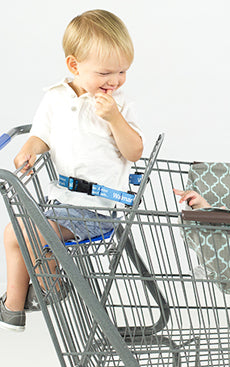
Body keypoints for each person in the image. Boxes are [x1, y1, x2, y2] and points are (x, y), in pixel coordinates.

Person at [0, 9, 144, 332]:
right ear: (74, 66)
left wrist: (114, 119)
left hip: (96, 210)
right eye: (106, 72)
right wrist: (30, 149)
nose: (115, 81)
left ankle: (13, 306)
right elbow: (41, 135)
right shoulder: (54, 99)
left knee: (25, 232)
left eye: (122, 72)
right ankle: (43, 290)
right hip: (60, 203)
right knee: (14, 233)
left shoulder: (119, 105)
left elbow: (134, 151)